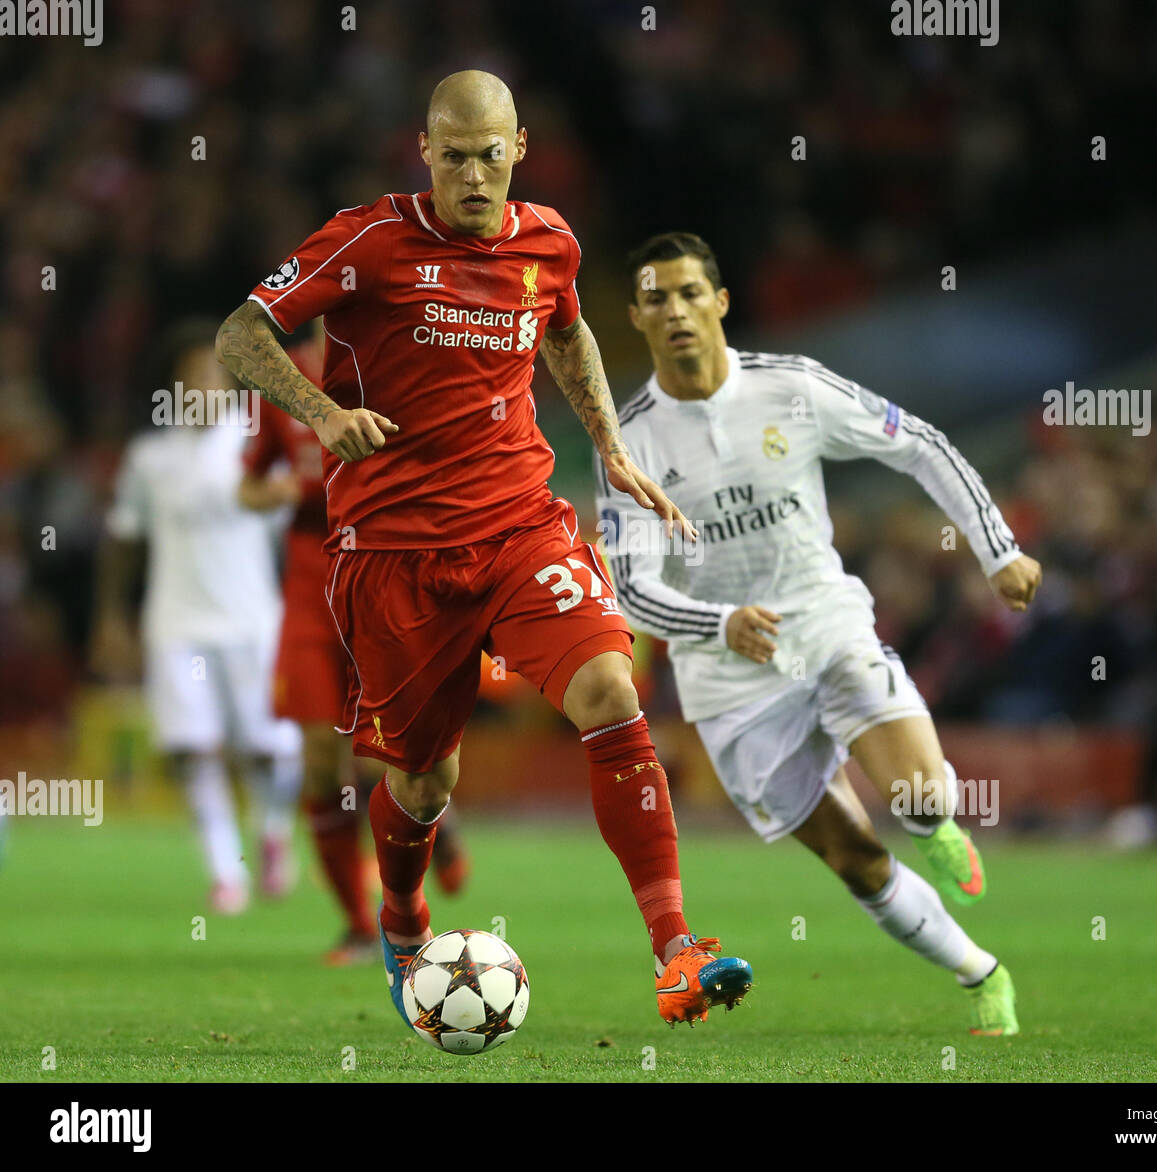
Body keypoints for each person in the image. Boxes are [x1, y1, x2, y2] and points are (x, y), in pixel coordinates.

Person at [215, 71, 751, 1028]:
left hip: (518, 527)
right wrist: (322, 410)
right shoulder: (369, 241)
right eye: (453, 155)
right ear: (424, 150)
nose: (472, 173)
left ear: (520, 148)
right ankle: (401, 911)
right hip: (391, 554)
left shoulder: (549, 241)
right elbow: (241, 333)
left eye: (488, 154)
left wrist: (611, 446)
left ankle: (675, 947)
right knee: (422, 783)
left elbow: (571, 332)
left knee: (610, 688)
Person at [596, 232, 1043, 1035]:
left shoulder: (791, 389)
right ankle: (984, 974)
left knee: (918, 795)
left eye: (691, 292)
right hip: (727, 678)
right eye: (656, 298)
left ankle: (936, 824)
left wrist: (997, 550)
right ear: (635, 316)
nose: (676, 311)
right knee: (858, 861)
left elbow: (921, 446)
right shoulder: (628, 442)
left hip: (825, 622)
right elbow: (632, 587)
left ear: (720, 302)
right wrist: (720, 622)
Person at [238, 325, 471, 966]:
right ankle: (357, 927)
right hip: (311, 591)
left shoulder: (400, 367)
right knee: (320, 759)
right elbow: (248, 485)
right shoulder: (282, 383)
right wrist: (283, 492)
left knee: (389, 750)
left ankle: (432, 820)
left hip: (385, 577)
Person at [93, 320, 302, 914]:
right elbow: (124, 540)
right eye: (186, 376)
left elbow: (302, 534)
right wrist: (112, 616)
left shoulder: (260, 443)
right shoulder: (150, 458)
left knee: (269, 752)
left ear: (231, 381)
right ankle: (223, 871)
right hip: (175, 624)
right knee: (194, 750)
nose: (199, 385)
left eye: (209, 373)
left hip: (254, 621)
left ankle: (271, 833)